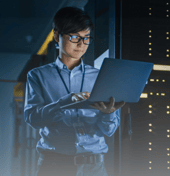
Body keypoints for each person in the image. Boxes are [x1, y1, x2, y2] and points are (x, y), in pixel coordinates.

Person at [24, 6, 125, 176]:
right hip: (54, 165)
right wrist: (63, 103)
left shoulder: (100, 77)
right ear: (57, 36)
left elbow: (109, 130)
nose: (81, 44)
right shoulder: (38, 76)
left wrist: (108, 113)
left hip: (94, 167)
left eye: (86, 38)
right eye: (74, 37)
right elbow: (33, 119)